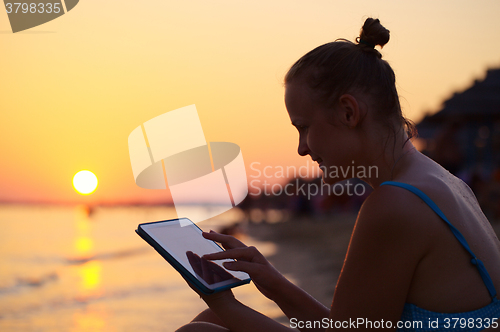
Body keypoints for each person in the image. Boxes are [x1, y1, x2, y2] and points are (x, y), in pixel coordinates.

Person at [176, 18, 500, 331]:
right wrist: (273, 282)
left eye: (303, 128)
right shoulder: (441, 181)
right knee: (214, 321)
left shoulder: (395, 204)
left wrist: (225, 303)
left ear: (349, 112)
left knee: (203, 328)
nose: (302, 148)